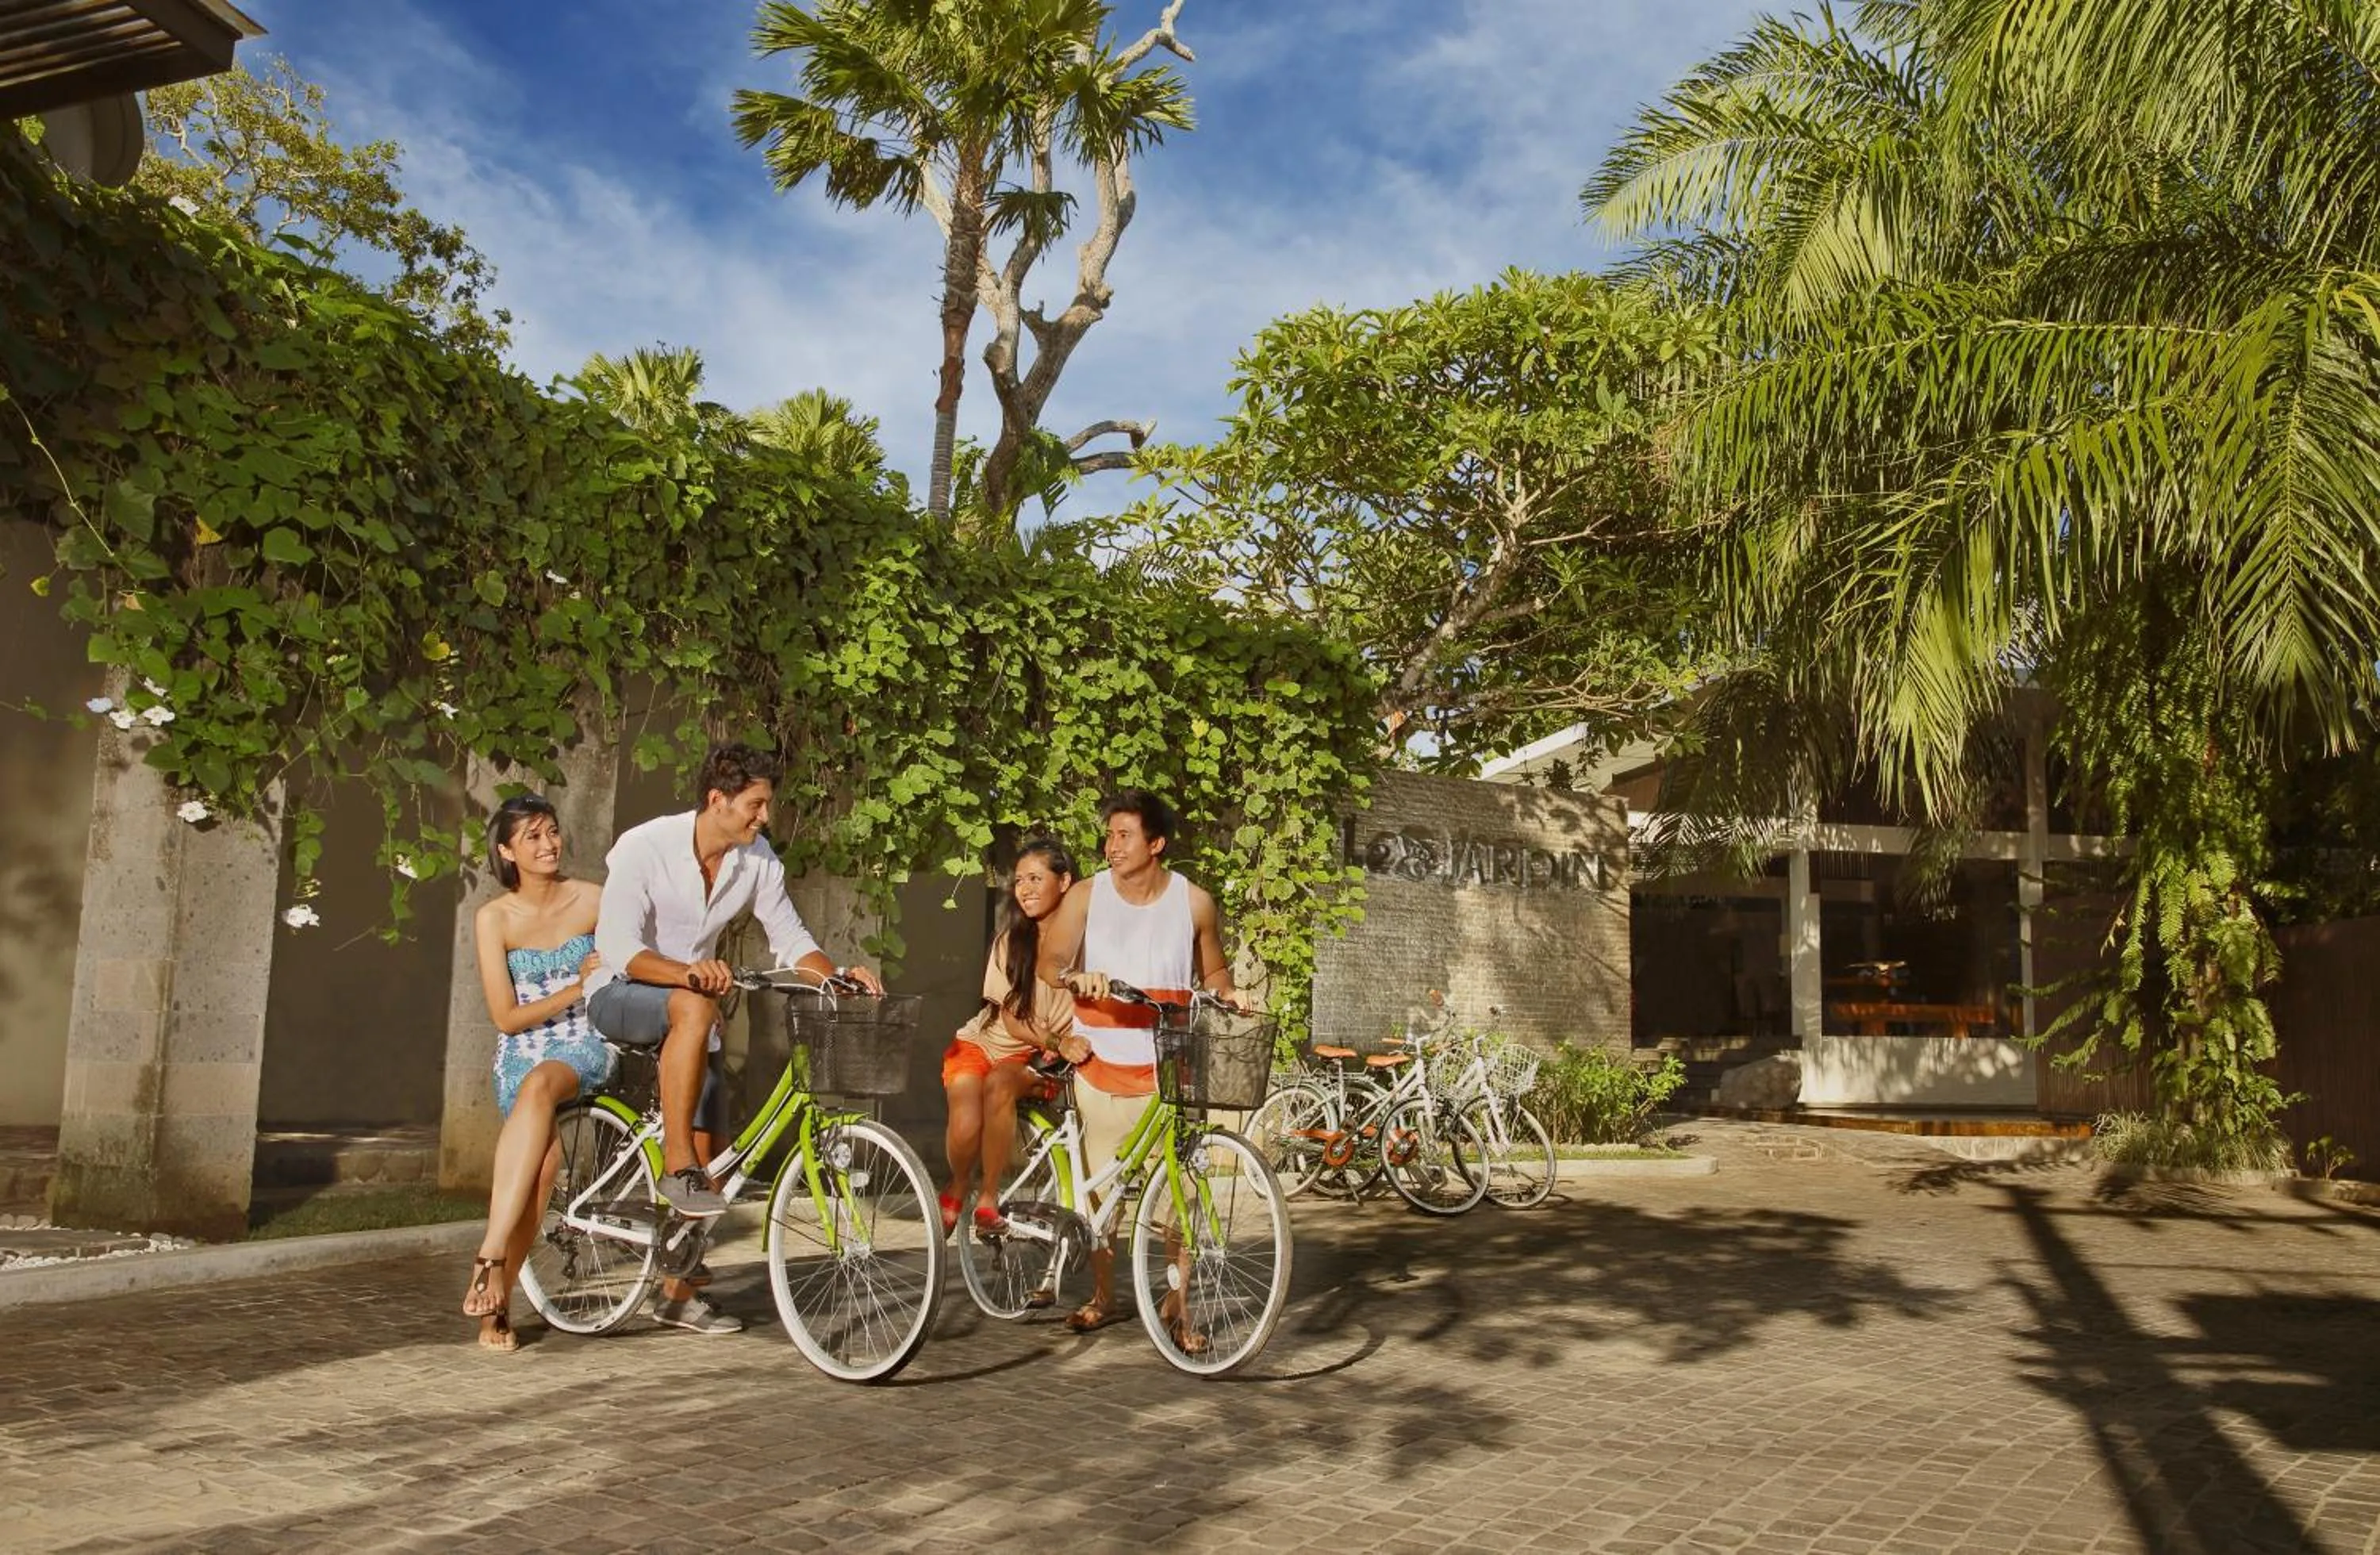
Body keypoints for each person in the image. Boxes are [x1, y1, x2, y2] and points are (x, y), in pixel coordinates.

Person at [585, 743, 881, 1332]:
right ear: (717, 800)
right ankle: (676, 1163)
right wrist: (689, 976)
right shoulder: (646, 847)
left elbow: (791, 939)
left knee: (717, 1161)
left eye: (767, 805)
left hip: (692, 1010)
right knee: (696, 1019)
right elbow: (618, 946)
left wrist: (837, 977)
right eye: (756, 805)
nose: (765, 817)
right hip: (619, 992)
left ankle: (676, 1294)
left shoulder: (756, 859)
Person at [1035, 789, 1238, 1340]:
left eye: (1125, 835)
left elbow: (1214, 972)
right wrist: (1073, 977)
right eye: (1110, 835)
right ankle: (1103, 1297)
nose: (1112, 846)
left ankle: (1181, 1309)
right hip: (1101, 1066)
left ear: (1156, 844)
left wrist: (1231, 993)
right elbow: (1051, 961)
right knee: (1103, 1200)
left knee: (1181, 1197)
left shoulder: (1195, 902)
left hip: (1170, 1071)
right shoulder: (1086, 895)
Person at [457, 795, 610, 1352]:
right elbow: (505, 1017)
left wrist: (599, 982)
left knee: (544, 1081)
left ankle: (489, 1255)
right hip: (520, 1051)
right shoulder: (493, 918)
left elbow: (627, 963)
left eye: (553, 832)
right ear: (507, 851)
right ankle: (497, 1301)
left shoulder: (594, 898)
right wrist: (575, 986)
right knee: (541, 1171)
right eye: (533, 837)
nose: (549, 845)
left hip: (584, 1043)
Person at [941, 839, 1078, 1238]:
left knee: (1000, 1083)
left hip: (1033, 1061)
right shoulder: (1010, 941)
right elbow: (1014, 1023)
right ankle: (959, 1183)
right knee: (966, 1123)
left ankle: (988, 1198)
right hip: (982, 1044)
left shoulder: (1087, 942)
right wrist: (1058, 1042)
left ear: (1065, 882)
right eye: (1019, 880)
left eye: (1036, 878)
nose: (1025, 889)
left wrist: (1062, 1046)